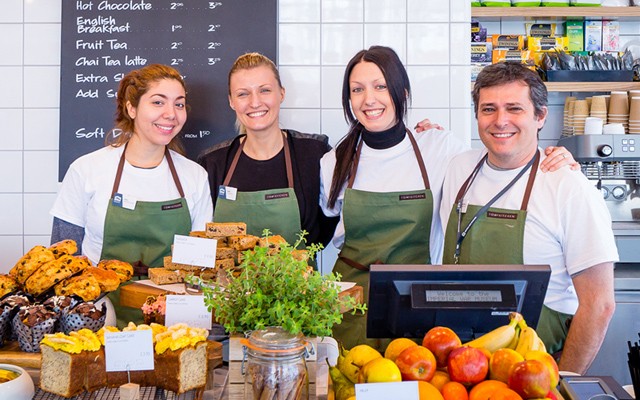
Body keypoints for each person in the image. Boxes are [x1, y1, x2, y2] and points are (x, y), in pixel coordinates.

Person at [319, 46, 577, 351]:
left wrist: (552, 156)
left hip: (416, 299)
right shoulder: (333, 161)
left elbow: (502, 156)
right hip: (350, 299)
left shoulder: (439, 147)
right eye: (357, 89)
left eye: (380, 86)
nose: (369, 99)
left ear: (402, 92)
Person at [439, 62, 617, 374]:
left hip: (534, 370)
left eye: (514, 108)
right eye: (488, 109)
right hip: (459, 364)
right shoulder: (459, 168)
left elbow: (599, 304)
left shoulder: (568, 186)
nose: (500, 121)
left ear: (540, 116)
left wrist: (561, 381)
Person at [51, 64, 213, 326]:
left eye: (179, 104)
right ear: (131, 108)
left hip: (172, 320)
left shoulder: (194, 177)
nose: (171, 114)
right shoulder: (87, 170)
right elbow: (62, 260)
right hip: (98, 316)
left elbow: (199, 267)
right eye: (158, 102)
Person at [198, 52, 338, 248]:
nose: (255, 102)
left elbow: (329, 223)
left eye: (264, 90)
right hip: (231, 269)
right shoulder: (213, 163)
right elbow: (202, 234)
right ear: (231, 101)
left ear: (281, 93)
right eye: (243, 94)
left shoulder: (314, 154)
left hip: (298, 268)